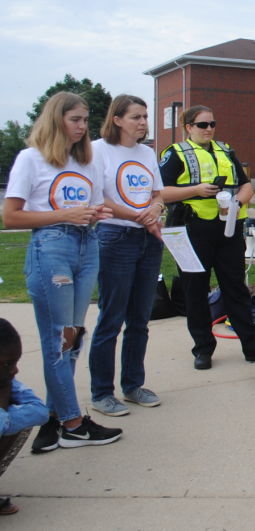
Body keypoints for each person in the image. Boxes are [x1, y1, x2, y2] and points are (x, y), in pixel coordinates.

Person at [2, 92, 123, 452]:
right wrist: (64, 215)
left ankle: (56, 421)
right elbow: (10, 217)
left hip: (88, 246)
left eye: (86, 120)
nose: (83, 127)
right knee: (59, 339)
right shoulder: (31, 159)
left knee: (72, 337)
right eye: (75, 120)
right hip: (51, 247)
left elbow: (94, 204)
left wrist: (96, 212)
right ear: (56, 119)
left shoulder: (87, 162)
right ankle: (73, 424)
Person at [159, 105, 255, 370]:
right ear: (188, 128)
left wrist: (236, 201)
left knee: (236, 288)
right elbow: (160, 193)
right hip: (192, 230)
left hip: (228, 228)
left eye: (212, 123)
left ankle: (252, 346)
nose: (209, 129)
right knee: (195, 290)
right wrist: (197, 190)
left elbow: (247, 185)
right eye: (202, 125)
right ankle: (203, 349)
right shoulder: (175, 154)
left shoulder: (225, 150)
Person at [89, 95, 165, 417]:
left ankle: (133, 385)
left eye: (145, 116)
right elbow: (99, 197)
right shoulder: (97, 150)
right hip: (115, 237)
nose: (144, 122)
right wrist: (138, 216)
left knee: (140, 319)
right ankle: (102, 393)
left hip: (148, 239)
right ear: (117, 119)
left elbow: (158, 193)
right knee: (111, 318)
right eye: (136, 117)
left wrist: (156, 208)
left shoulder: (147, 153)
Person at [0, 318, 49, 514]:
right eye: (7, 364)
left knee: (18, 422)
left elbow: (39, 412)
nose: (15, 370)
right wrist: (4, 396)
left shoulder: (6, 380)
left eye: (16, 362)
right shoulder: (4, 385)